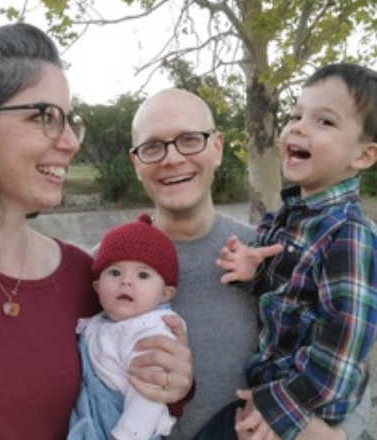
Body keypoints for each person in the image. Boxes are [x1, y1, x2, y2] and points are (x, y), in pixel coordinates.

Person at [0, 23, 192, 440]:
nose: (72, 142)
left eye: (70, 119)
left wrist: (170, 382)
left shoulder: (84, 275)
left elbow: (120, 386)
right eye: (44, 117)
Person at [128, 87, 372, 440]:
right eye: (152, 146)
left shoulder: (269, 252)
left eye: (190, 140)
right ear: (136, 162)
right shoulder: (108, 268)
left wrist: (329, 435)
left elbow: (348, 364)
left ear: (217, 147)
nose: (172, 158)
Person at [201, 62, 377, 440]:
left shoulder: (349, 233)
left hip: (304, 405)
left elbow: (344, 345)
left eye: (324, 121)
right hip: (273, 390)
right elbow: (293, 291)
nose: (298, 127)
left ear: (362, 156)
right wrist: (254, 272)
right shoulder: (291, 214)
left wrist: (283, 406)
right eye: (296, 115)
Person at [69, 213, 182, 440]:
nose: (126, 281)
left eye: (143, 275)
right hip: (91, 417)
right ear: (97, 287)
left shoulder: (152, 331)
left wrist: (126, 435)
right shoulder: (100, 321)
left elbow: (149, 393)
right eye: (115, 272)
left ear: (165, 293)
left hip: (126, 425)